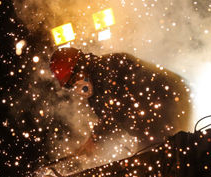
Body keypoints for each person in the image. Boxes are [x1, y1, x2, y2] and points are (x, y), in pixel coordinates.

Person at [49, 47, 192, 155]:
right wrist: (94, 140)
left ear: (82, 65)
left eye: (73, 80)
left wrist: (95, 138)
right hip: (158, 114)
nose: (75, 86)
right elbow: (112, 117)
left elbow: (115, 111)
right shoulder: (96, 89)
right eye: (69, 84)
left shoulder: (109, 67)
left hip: (170, 103)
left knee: (164, 157)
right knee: (152, 154)